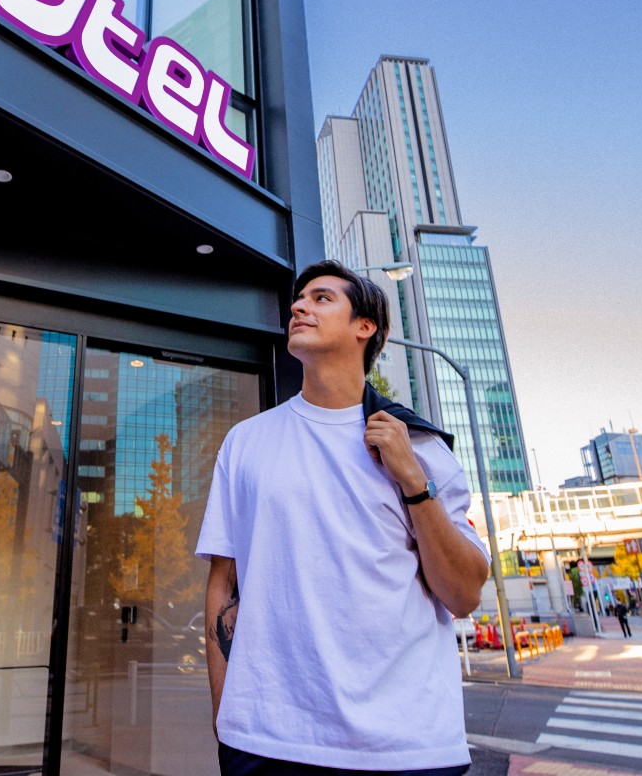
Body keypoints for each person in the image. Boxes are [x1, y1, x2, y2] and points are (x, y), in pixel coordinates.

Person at [197, 260, 490, 775]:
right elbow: (223, 582)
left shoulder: (419, 445)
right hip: (265, 740)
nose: (299, 306)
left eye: (322, 297)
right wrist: (226, 713)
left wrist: (413, 482)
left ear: (365, 326)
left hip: (405, 744)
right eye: (299, 298)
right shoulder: (245, 442)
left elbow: (464, 594)